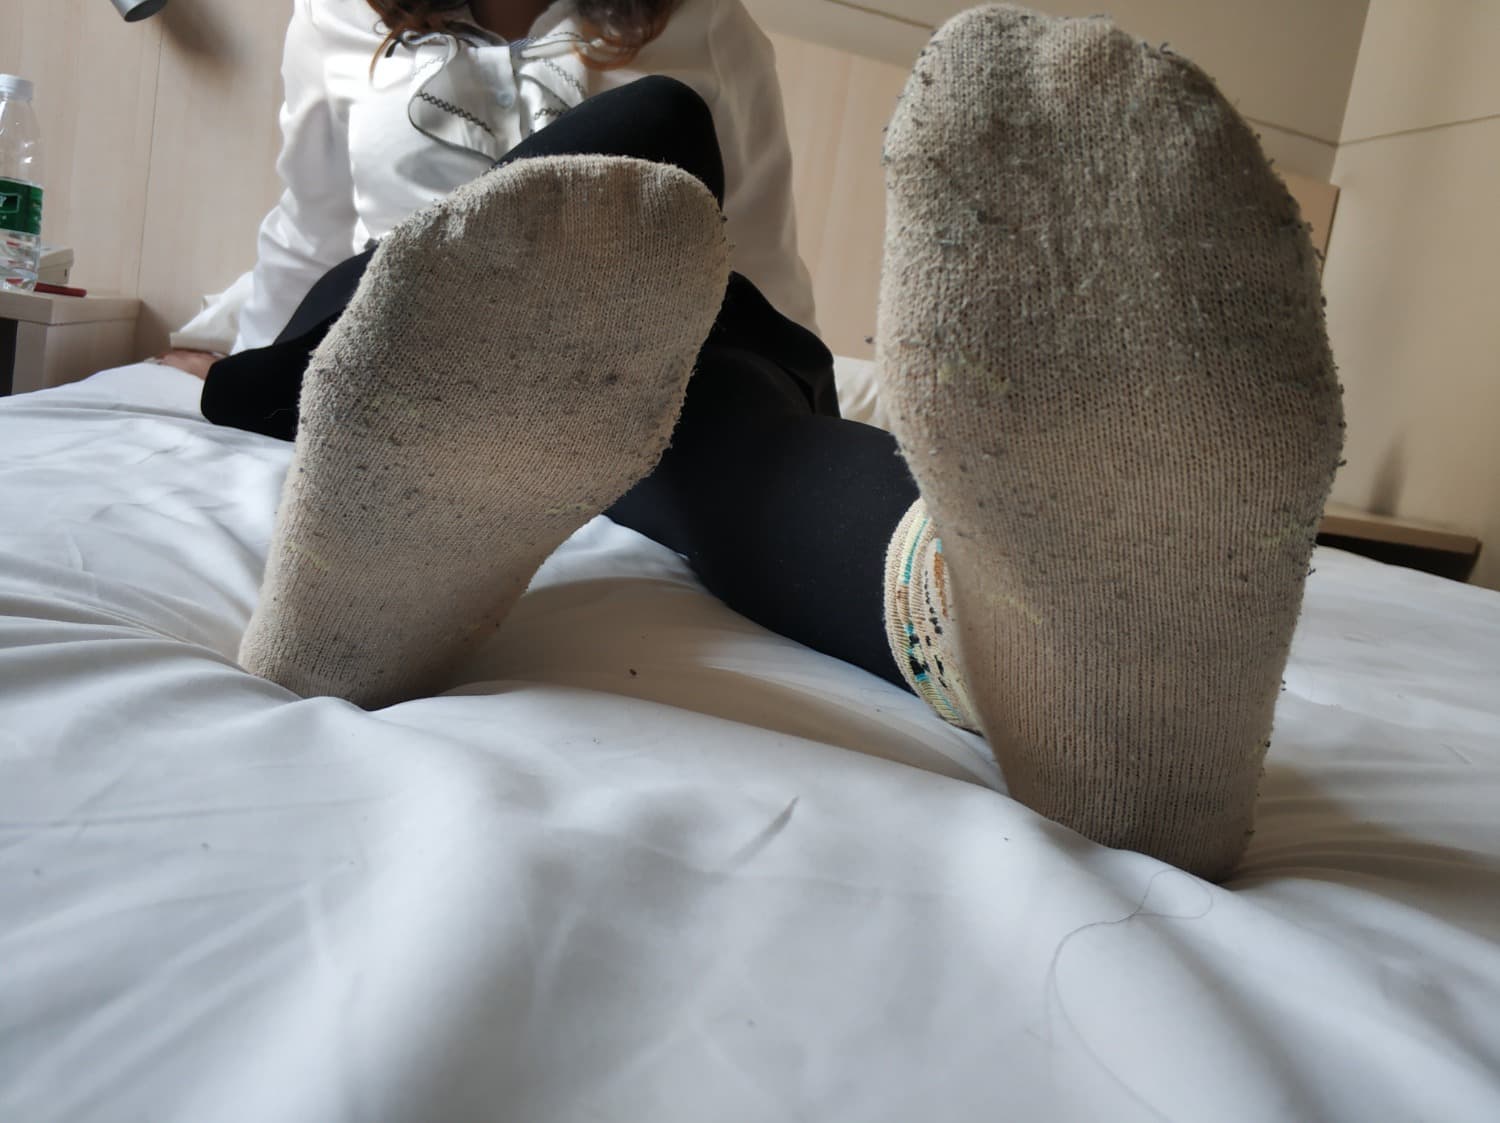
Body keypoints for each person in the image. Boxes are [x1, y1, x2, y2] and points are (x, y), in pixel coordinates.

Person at [166, 0, 1345, 881]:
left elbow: (758, 257)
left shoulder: (703, 17)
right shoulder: (330, 13)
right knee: (648, 154)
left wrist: (746, 370)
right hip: (381, 318)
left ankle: (1081, 670)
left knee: (678, 303)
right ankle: (405, 432)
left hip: (671, 318)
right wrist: (215, 346)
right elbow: (303, 231)